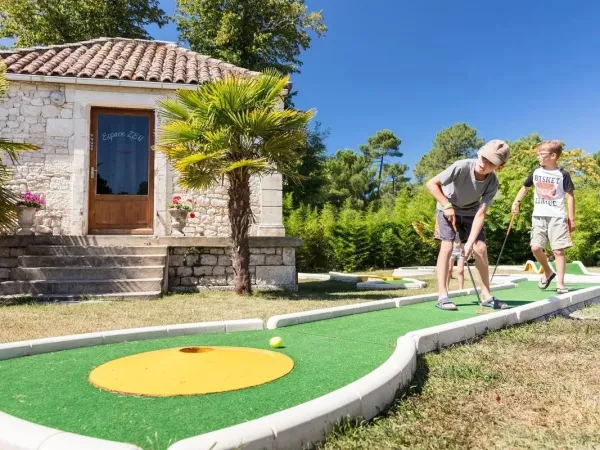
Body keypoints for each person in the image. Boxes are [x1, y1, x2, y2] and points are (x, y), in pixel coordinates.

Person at [426, 139, 511, 311]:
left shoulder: (492, 182)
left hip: (472, 213)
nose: (484, 164)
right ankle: (442, 296)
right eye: (483, 158)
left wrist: (470, 243)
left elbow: (481, 213)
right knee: (447, 246)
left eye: (491, 162)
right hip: (446, 208)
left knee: (480, 248)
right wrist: (446, 205)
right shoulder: (462, 166)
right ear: (479, 154)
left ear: (499, 166)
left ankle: (486, 296)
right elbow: (431, 184)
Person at [511, 140, 575, 294]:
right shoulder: (536, 172)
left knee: (558, 250)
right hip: (538, 216)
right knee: (535, 247)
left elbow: (570, 197)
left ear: (553, 156)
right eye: (538, 154)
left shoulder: (563, 174)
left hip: (558, 216)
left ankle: (560, 283)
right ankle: (548, 271)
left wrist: (571, 219)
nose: (538, 156)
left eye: (542, 154)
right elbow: (524, 188)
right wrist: (516, 202)